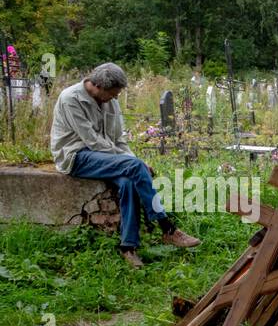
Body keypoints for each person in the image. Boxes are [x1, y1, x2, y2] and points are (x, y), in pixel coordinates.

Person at [50, 62, 199, 268]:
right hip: (76, 156)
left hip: (105, 157)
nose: (116, 98)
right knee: (134, 167)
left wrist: (134, 161)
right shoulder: (71, 99)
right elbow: (92, 141)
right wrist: (132, 163)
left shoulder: (110, 101)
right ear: (98, 86)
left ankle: (128, 247)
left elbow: (119, 140)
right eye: (113, 93)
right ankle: (167, 228)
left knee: (129, 181)